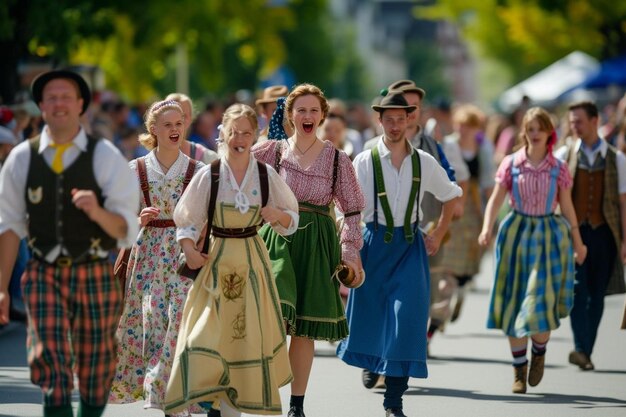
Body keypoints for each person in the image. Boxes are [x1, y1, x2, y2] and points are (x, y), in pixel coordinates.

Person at [0, 69, 139, 417]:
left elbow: (126, 229)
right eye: (51, 97)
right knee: (51, 364)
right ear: (41, 106)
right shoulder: (21, 158)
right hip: (43, 271)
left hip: (93, 269)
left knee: (96, 369)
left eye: (66, 97)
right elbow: (9, 226)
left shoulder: (104, 155)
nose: (59, 103)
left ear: (80, 105)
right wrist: (1, 287)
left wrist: (96, 212)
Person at [164, 103, 297, 417]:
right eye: (233, 131)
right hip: (216, 259)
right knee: (203, 336)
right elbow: (186, 217)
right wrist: (189, 248)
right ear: (223, 132)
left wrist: (276, 214)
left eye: (246, 133)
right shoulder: (209, 173)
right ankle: (203, 398)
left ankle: (228, 409)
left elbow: (291, 220)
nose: (239, 138)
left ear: (254, 136)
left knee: (243, 339)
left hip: (252, 262)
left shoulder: (265, 175)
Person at [337, 91, 461, 417]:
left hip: (409, 246)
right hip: (374, 243)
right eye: (388, 119)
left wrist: (437, 232)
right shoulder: (364, 161)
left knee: (407, 317)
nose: (394, 125)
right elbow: (347, 207)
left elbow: (452, 197)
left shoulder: (423, 160)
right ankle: (374, 361)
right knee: (374, 315)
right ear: (379, 121)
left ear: (410, 120)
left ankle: (394, 401)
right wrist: (349, 249)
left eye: (400, 119)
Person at [252, 83, 365, 417]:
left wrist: (349, 252)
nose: (307, 115)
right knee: (270, 317)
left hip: (317, 242)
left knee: (303, 330)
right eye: (300, 109)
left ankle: (296, 405)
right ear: (289, 115)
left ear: (323, 115)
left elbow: (353, 209)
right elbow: (231, 169)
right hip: (276, 239)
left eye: (314, 110)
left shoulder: (337, 159)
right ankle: (261, 391)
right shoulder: (270, 151)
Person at [479, 107, 587, 394]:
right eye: (530, 128)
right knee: (515, 302)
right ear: (524, 132)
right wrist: (487, 227)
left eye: (540, 128)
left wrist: (578, 241)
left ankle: (539, 352)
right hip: (516, 234)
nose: (535, 133)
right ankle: (519, 370)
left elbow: (567, 206)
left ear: (550, 132)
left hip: (548, 236)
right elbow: (496, 199)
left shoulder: (557, 167)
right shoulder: (512, 163)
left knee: (539, 300)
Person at [108, 99, 203, 416]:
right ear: (153, 130)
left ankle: (176, 400)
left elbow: (207, 217)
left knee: (180, 325)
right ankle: (161, 397)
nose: (175, 129)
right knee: (153, 324)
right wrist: (138, 219)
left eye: (179, 124)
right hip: (148, 256)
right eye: (168, 125)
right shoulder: (135, 170)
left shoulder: (197, 170)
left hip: (182, 254)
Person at [555, 101, 626, 370]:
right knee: (576, 290)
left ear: (595, 121)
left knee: (597, 294)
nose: (574, 127)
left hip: (605, 234)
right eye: (572, 122)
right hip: (575, 233)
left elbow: (622, 202)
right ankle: (580, 348)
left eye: (579, 121)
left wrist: (624, 241)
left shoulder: (616, 158)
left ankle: (585, 350)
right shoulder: (564, 154)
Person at [438, 104, 495, 324]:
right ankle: (445, 300)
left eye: (469, 126)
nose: (464, 130)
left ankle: (460, 287)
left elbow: (488, 181)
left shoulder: (483, 148)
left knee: (472, 252)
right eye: (461, 125)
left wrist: (491, 210)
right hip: (453, 203)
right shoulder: (449, 145)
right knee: (450, 253)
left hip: (474, 205)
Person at [165, 93, 218, 164]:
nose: (177, 121)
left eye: (183, 116)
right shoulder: (148, 156)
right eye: (171, 115)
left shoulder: (208, 158)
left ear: (191, 119)